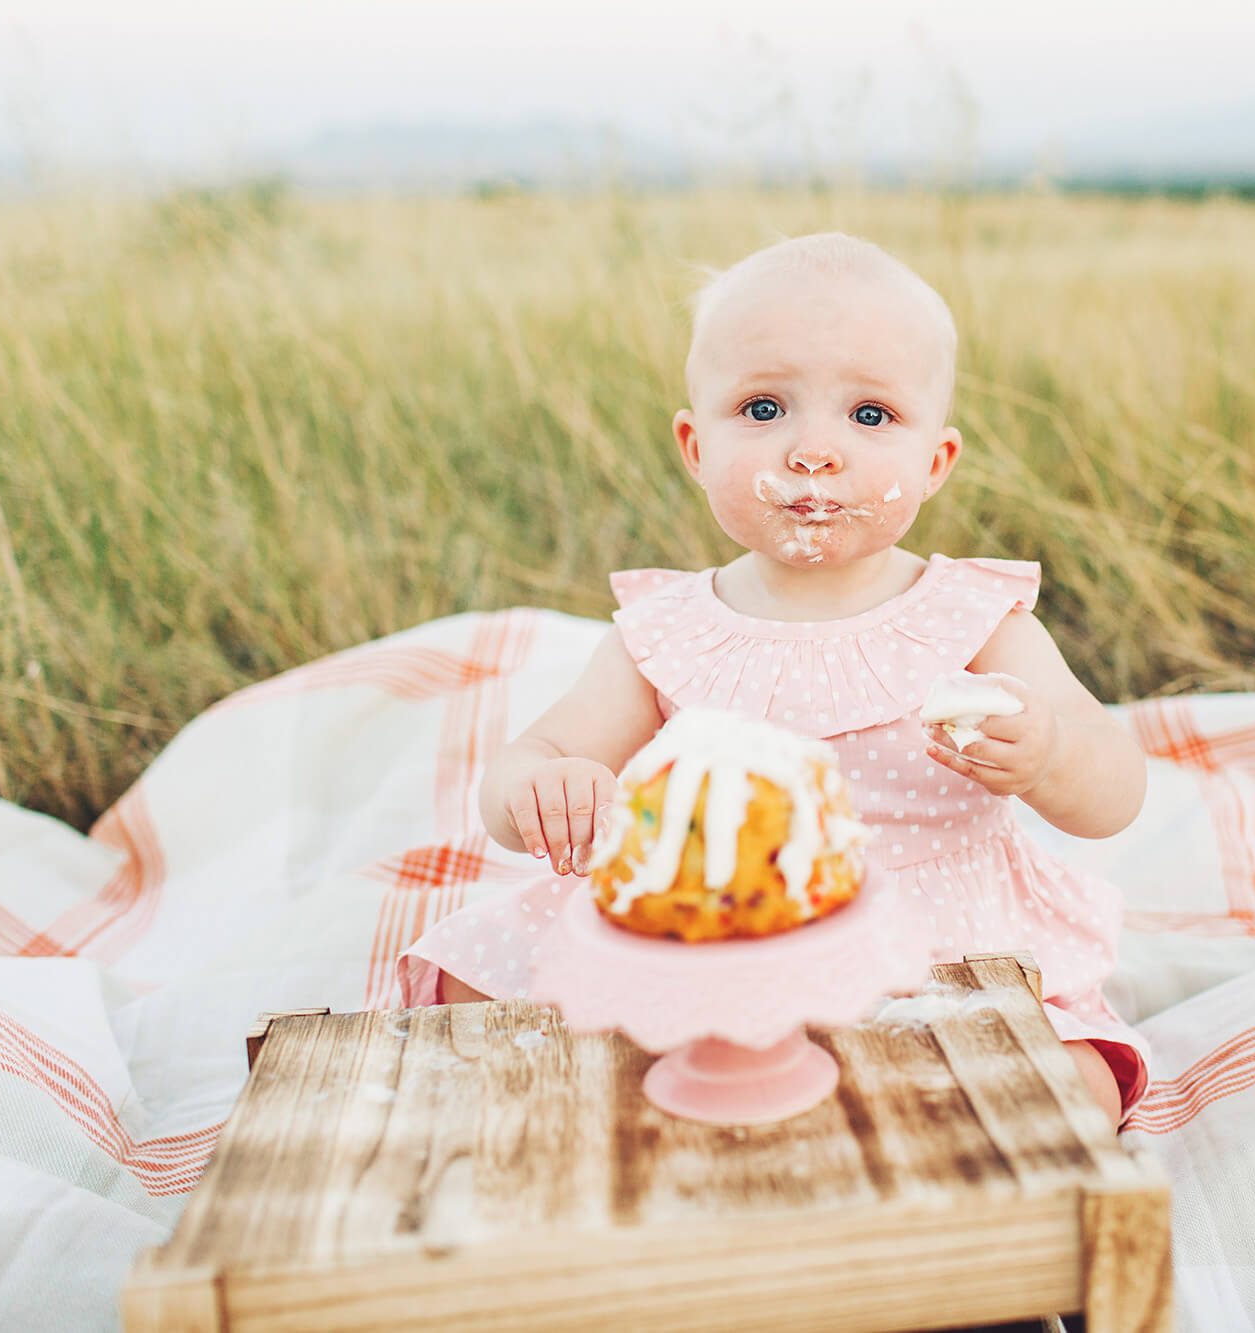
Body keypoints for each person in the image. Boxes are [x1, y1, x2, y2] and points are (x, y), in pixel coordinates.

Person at [395, 232, 1153, 1129]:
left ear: (935, 462)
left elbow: (1115, 787)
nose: (812, 451)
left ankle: (863, 1118)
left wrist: (1051, 754)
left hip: (929, 941)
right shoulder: (666, 630)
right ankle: (698, 1089)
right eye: (762, 409)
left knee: (1073, 1087)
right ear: (694, 445)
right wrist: (542, 783)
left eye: (869, 416)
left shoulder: (974, 618)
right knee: (463, 987)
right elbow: (536, 759)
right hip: (718, 922)